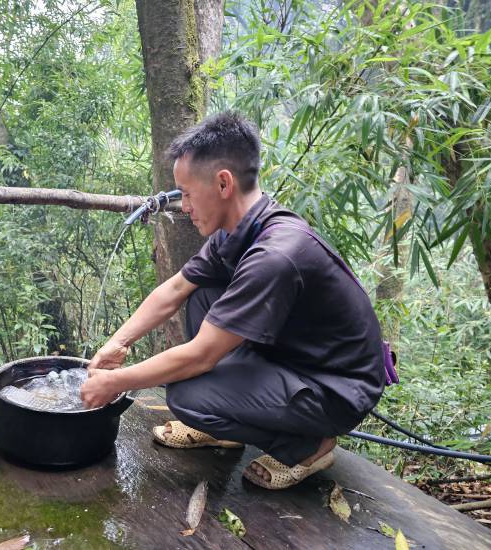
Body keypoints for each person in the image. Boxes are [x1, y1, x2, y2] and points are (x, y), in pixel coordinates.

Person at [80, 111, 385, 489]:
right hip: (290, 356)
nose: (183, 206)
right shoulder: (240, 231)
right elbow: (175, 289)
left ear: (223, 183)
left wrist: (117, 383)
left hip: (333, 387)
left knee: (188, 396)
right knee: (202, 291)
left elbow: (202, 356)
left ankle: (309, 446)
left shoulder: (275, 255)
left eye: (187, 194)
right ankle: (226, 429)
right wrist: (118, 343)